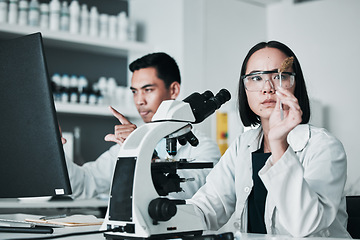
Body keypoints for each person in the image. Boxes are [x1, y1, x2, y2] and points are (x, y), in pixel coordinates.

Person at [187, 41, 350, 238]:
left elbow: (305, 227)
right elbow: (206, 208)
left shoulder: (324, 146)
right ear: (244, 88)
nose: (268, 88)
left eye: (279, 76)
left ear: (295, 84)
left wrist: (278, 144)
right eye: (256, 78)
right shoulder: (242, 145)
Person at [65, 52, 221, 200]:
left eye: (148, 90)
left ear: (173, 90)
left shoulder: (204, 149)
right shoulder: (130, 143)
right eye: (134, 91)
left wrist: (143, 153)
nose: (139, 101)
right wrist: (53, 148)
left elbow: (184, 194)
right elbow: (84, 185)